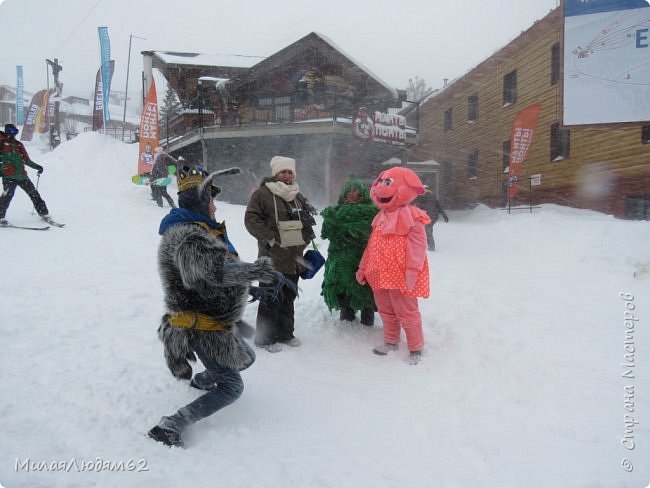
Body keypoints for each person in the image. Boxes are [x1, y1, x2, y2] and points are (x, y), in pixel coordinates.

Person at [148, 165, 283, 448]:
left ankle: (204, 379)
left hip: (213, 318)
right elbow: (215, 273)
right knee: (232, 387)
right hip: (199, 325)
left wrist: (251, 286)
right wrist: (260, 272)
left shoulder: (203, 229)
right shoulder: (187, 235)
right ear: (200, 201)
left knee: (247, 356)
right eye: (210, 198)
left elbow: (217, 273)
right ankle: (170, 425)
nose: (214, 204)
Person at [356, 166, 431, 365]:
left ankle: (416, 347)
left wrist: (412, 271)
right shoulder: (379, 218)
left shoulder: (413, 216)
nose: (380, 188)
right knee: (386, 310)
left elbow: (418, 246)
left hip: (401, 274)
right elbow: (371, 246)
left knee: (407, 311)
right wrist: (363, 267)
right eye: (380, 183)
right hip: (379, 272)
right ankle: (391, 341)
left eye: (388, 183)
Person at [244, 155, 317, 352]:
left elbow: (306, 219)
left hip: (294, 257)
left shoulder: (297, 196)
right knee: (270, 297)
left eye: (290, 172)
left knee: (288, 296)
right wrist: (269, 237)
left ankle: (285, 333)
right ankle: (265, 339)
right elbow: (251, 219)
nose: (287, 175)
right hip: (272, 256)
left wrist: (307, 233)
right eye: (283, 171)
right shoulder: (263, 194)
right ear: (275, 173)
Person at [320, 175, 377, 326]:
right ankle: (347, 310)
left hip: (363, 256)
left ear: (362, 193)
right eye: (348, 191)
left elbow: (371, 232)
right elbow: (326, 233)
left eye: (355, 190)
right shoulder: (335, 211)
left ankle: (367, 310)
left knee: (365, 284)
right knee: (343, 284)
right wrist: (331, 222)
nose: (351, 193)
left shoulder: (373, 211)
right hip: (340, 257)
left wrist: (345, 229)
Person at [0, 123, 53, 226]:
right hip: (8, 176)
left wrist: (37, 166)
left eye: (15, 131)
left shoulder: (18, 144)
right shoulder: (1, 143)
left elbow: (26, 160)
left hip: (21, 176)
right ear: (7, 131)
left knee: (34, 193)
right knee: (7, 197)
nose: (14, 133)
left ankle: (44, 213)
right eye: (12, 130)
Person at [415, 185, 449, 251]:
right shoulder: (433, 197)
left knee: (427, 230)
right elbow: (439, 207)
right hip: (434, 216)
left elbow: (419, 206)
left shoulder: (422, 196)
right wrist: (444, 216)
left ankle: (431, 247)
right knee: (428, 229)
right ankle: (427, 244)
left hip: (428, 216)